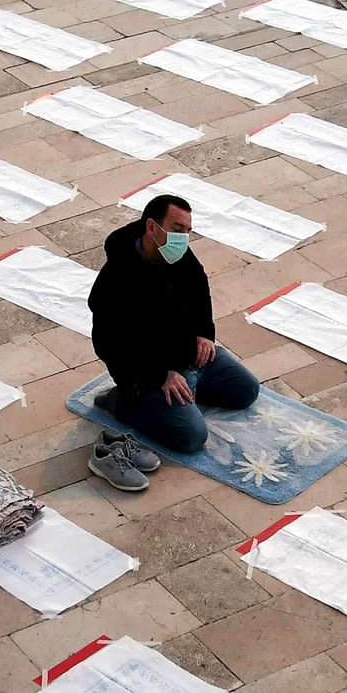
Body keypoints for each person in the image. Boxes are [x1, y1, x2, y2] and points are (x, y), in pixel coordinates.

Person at [85, 194, 261, 488]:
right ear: (152, 227)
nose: (183, 238)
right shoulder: (117, 277)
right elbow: (107, 342)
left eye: (188, 231)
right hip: (151, 373)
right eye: (178, 229)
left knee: (246, 391)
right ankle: (124, 402)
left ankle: (188, 391)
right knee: (191, 437)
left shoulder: (176, 254)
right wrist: (159, 376)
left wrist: (206, 332)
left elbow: (199, 284)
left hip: (191, 356)